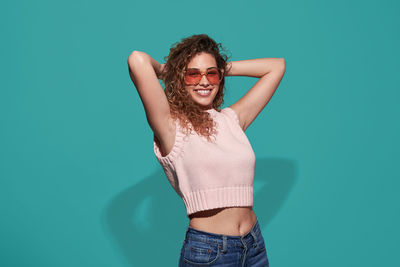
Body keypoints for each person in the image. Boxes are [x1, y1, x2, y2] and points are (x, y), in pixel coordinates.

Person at [127, 34, 285, 266]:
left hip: (253, 245)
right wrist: (169, 71)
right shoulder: (170, 126)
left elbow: (276, 66)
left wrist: (220, 68)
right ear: (180, 78)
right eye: (192, 74)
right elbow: (137, 59)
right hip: (209, 251)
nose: (204, 81)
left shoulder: (231, 119)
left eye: (211, 74)